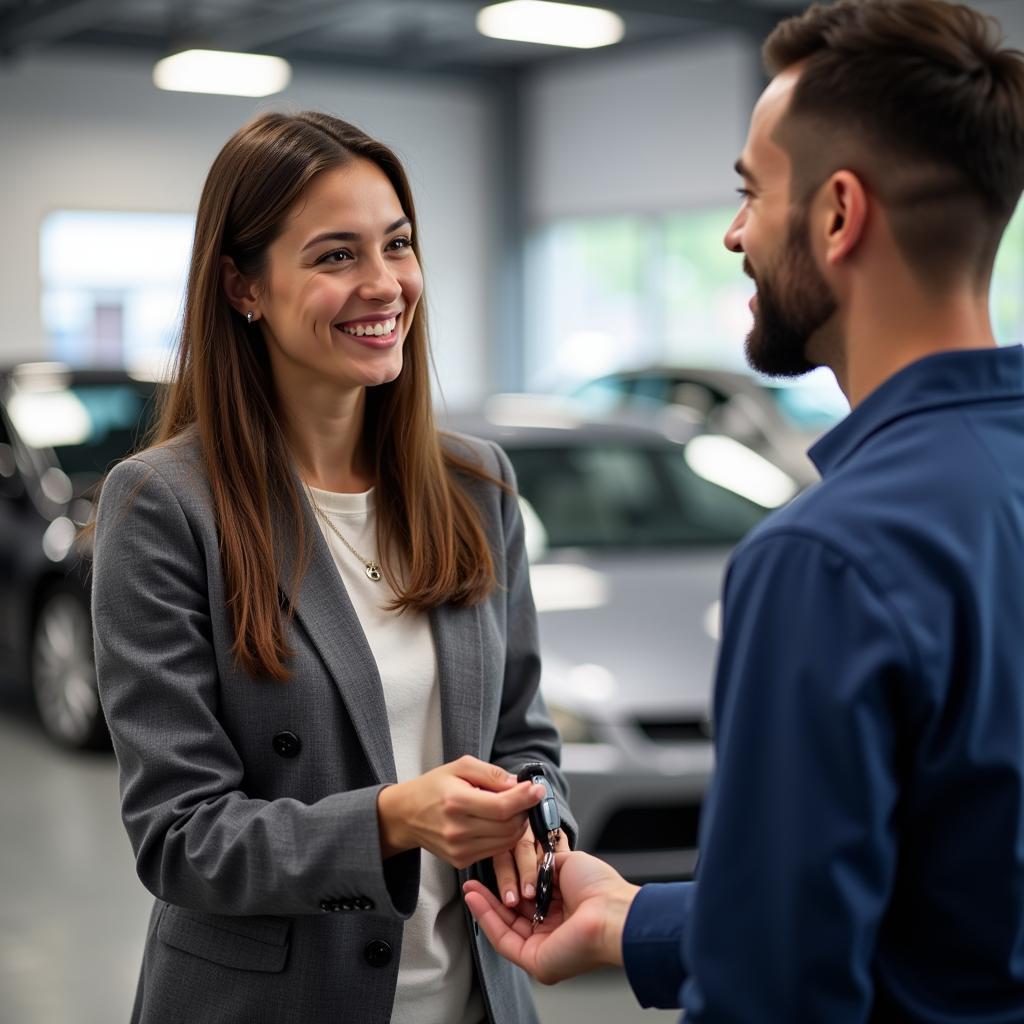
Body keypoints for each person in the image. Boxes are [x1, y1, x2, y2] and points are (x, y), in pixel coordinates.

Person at [464, 1, 1024, 1020]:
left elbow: (775, 991)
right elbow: (948, 898)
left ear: (838, 214)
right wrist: (633, 920)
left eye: (749, 192)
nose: (731, 233)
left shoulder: (826, 557)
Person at [91, 110, 574, 1024]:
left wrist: (536, 824)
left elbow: (527, 740)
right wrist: (393, 819)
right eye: (335, 256)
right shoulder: (163, 504)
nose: (385, 283)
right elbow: (180, 837)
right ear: (243, 285)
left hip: (474, 999)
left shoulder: (477, 486)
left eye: (397, 244)